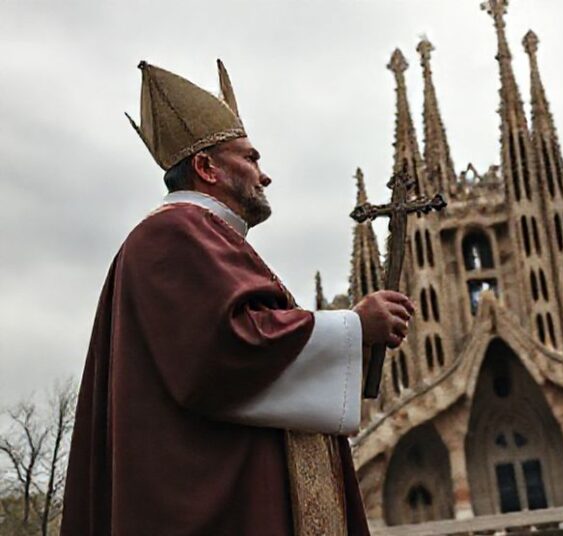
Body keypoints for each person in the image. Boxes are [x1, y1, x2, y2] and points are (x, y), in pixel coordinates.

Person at [60, 61, 416, 535]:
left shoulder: (208, 237)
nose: (263, 176)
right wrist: (354, 327)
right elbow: (223, 349)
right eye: (249, 159)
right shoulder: (172, 234)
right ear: (206, 167)